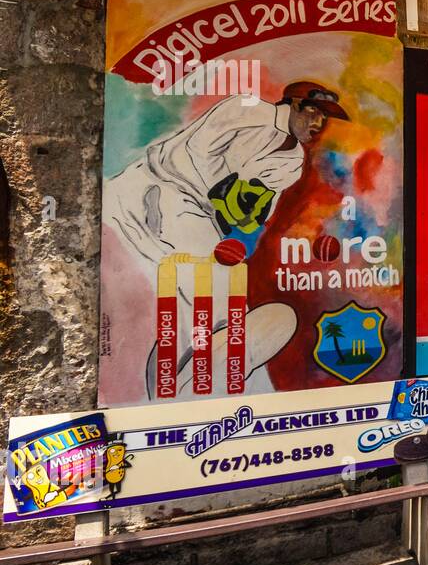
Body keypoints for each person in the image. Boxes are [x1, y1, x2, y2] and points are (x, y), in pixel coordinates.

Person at [101, 80, 350, 399]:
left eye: (325, 117)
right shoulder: (245, 109)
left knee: (196, 302)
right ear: (292, 104)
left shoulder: (290, 161)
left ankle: (186, 378)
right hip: (153, 189)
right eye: (313, 112)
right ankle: (202, 379)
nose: (318, 123)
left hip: (190, 215)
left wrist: (241, 238)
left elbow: (254, 212)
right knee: (215, 293)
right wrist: (230, 215)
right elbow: (210, 170)